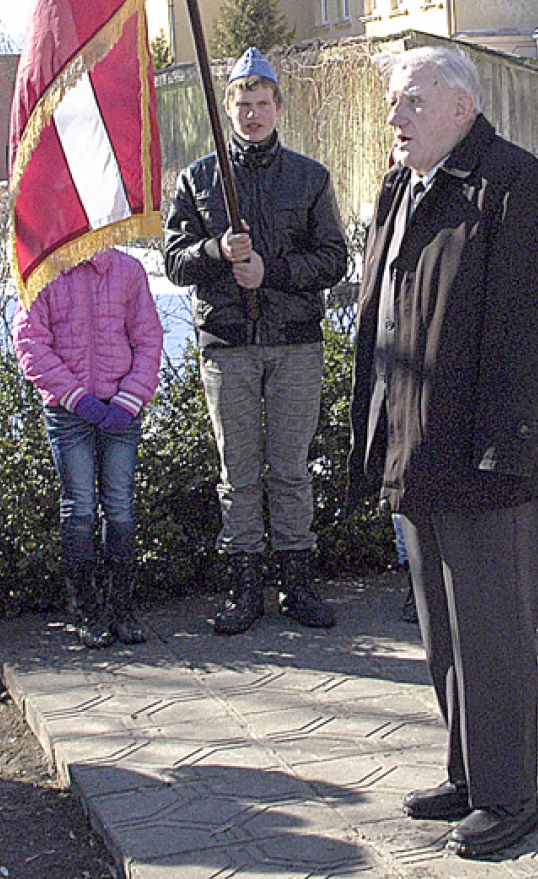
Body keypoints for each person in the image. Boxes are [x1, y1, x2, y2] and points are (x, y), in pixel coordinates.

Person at [348, 46, 538, 858]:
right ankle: (469, 775)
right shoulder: (399, 188)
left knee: (493, 635)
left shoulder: (515, 187)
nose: (393, 117)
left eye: (410, 101)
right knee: (443, 633)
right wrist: (374, 433)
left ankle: (510, 797)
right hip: (419, 450)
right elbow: (386, 319)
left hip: (490, 467)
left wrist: (505, 451)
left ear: (461, 108)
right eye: (392, 102)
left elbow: (529, 337)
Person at [164, 47, 347, 635]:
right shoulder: (198, 180)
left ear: (278, 107)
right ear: (229, 107)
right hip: (228, 343)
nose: (252, 114)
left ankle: (297, 581)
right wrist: (218, 251)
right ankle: (245, 587)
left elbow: (334, 260)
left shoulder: (310, 177)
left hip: (294, 342)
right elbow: (173, 260)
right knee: (238, 472)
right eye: (243, 104)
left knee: (291, 468)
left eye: (262, 103)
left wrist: (275, 272)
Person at [12, 248, 163, 649]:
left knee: (120, 507)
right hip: (68, 411)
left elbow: (148, 337)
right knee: (78, 508)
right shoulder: (43, 274)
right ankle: (86, 610)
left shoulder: (128, 271)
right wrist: (75, 396)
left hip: (121, 411)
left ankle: (122, 609)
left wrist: (130, 398)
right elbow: (30, 342)